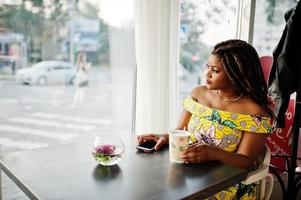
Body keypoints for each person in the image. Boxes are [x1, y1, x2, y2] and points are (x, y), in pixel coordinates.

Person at [137, 39, 274, 200]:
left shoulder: (255, 113)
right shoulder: (198, 94)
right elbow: (181, 131)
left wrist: (214, 153)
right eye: (207, 67)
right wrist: (164, 137)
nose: (207, 74)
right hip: (188, 171)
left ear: (238, 73)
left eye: (215, 70)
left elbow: (246, 162)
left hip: (223, 182)